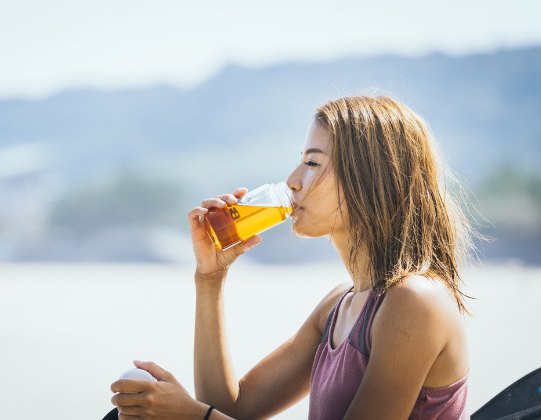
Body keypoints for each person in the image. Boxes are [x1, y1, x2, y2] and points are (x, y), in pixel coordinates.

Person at [108, 96, 476, 420]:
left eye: (313, 164)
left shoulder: (415, 303)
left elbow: (212, 415)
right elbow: (232, 408)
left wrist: (195, 417)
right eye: (300, 162)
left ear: (372, 178)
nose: (292, 181)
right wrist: (210, 279)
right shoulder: (338, 305)